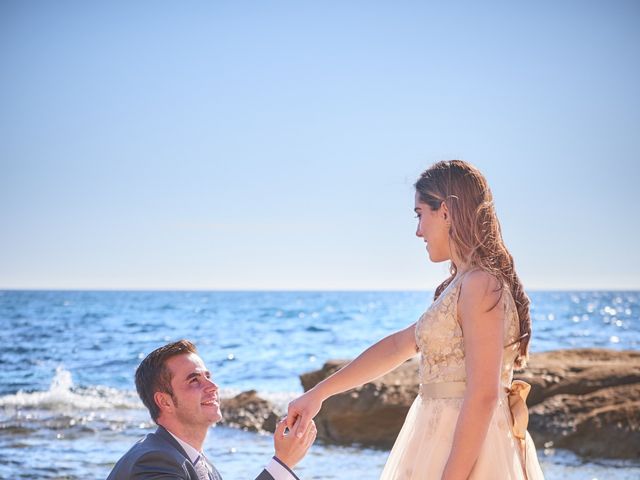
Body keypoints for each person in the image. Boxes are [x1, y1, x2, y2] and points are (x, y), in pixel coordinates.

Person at [286, 160, 545, 479]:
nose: (418, 230)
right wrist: (318, 394)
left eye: (420, 214)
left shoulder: (480, 283)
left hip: (469, 454)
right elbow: (398, 345)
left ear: (446, 212)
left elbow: (483, 394)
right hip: (436, 439)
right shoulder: (462, 284)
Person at [108, 339, 316, 480]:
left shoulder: (197, 463)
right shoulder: (153, 462)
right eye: (194, 380)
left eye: (208, 376)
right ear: (165, 402)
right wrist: (282, 463)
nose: (213, 386)